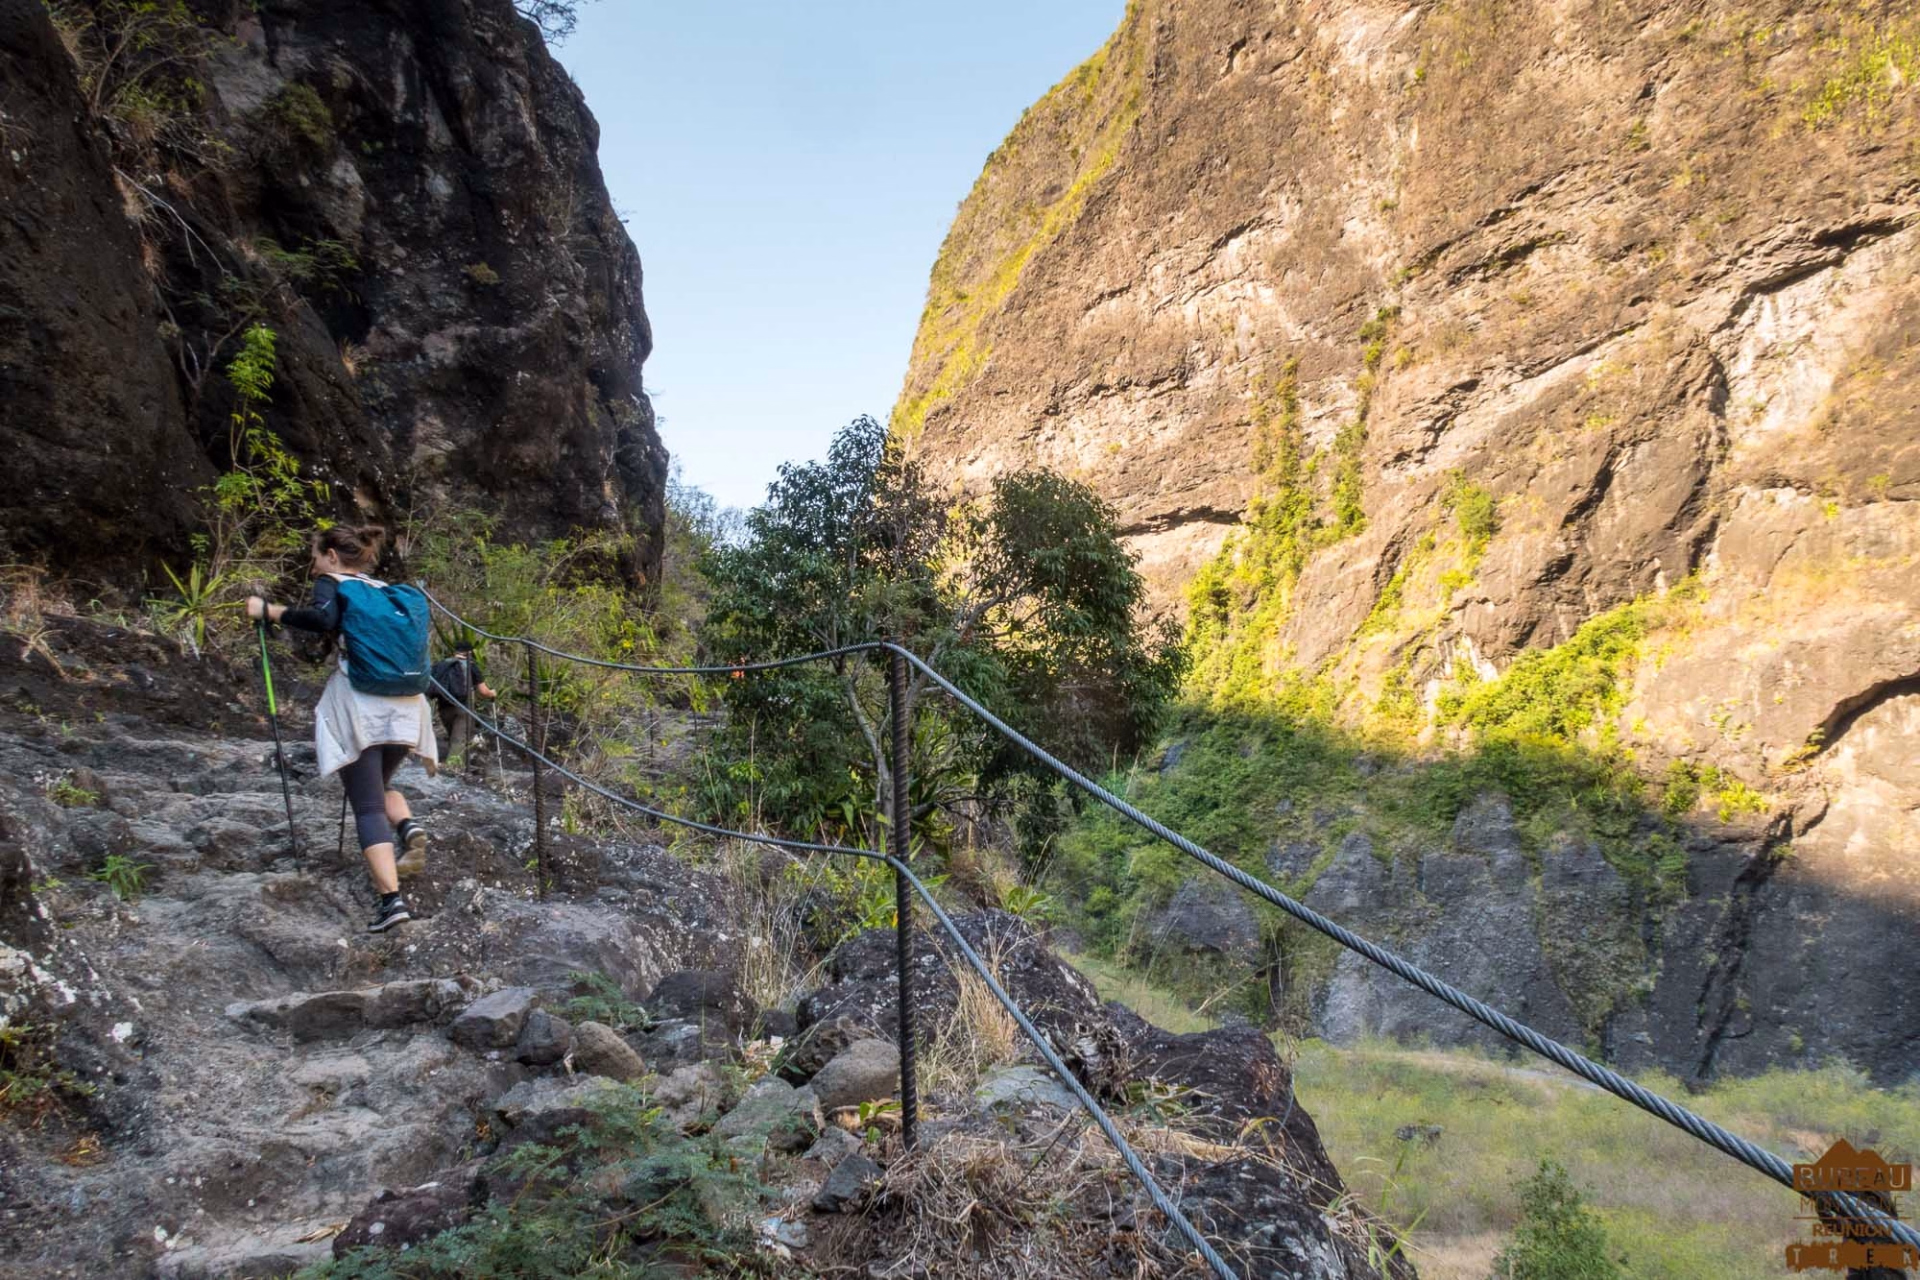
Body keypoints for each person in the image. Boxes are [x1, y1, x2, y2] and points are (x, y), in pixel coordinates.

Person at [246, 525, 436, 932]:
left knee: (366, 805)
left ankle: (392, 903)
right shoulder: (389, 592)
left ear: (332, 556)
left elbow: (322, 618)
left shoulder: (333, 583)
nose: (313, 566)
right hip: (408, 707)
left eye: (316, 556)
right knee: (377, 787)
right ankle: (407, 826)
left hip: (362, 703)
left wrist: (272, 612)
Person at [430, 643, 495, 770]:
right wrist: (492, 693)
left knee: (453, 736)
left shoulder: (441, 665)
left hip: (443, 708)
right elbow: (483, 691)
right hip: (463, 708)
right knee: (459, 739)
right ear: (469, 653)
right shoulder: (471, 667)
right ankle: (453, 768)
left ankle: (457, 764)